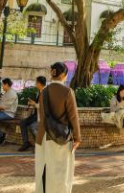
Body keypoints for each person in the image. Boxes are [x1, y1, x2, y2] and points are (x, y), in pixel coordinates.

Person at [35, 62, 81, 193]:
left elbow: (42, 115)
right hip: (61, 137)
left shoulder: (43, 92)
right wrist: (77, 137)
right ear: (64, 75)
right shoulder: (67, 91)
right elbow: (73, 116)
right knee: (61, 172)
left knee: (44, 169)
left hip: (43, 136)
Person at [18, 75, 47, 152]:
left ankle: (39, 145)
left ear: (40, 83)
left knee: (32, 127)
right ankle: (26, 143)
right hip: (35, 115)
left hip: (43, 117)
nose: (35, 84)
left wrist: (34, 104)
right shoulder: (39, 92)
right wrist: (32, 103)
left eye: (36, 82)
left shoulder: (45, 93)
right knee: (22, 123)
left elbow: (44, 107)